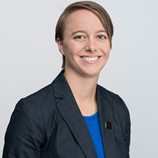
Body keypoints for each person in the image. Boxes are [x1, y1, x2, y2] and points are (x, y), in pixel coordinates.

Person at [3, 1, 131, 158]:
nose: (92, 46)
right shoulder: (32, 112)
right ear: (61, 44)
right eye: (79, 37)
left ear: (110, 43)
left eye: (100, 36)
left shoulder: (117, 108)